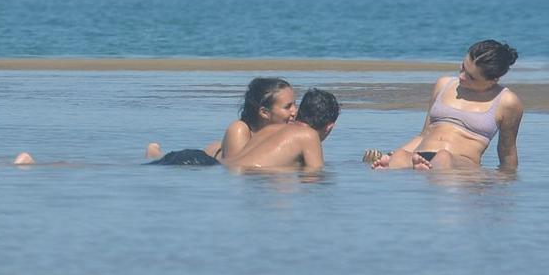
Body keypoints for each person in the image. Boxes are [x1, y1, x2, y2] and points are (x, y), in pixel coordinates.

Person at [364, 39, 521, 171]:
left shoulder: (507, 102)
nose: (461, 76)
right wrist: (393, 154)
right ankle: (403, 167)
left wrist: (506, 183)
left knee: (443, 156)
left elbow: (507, 152)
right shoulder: (443, 84)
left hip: (461, 164)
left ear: (493, 80)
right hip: (421, 155)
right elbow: (424, 134)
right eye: (462, 67)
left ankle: (426, 170)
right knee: (399, 156)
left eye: (471, 77)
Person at [146, 77, 299, 166]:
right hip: (193, 160)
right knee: (159, 160)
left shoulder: (285, 131)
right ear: (264, 112)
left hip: (216, 150)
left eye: (295, 104)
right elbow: (235, 169)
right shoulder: (239, 129)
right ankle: (153, 152)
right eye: (288, 107)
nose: (295, 111)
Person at [221, 87, 341, 171]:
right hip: (248, 173)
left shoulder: (272, 128)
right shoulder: (309, 135)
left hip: (220, 166)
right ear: (329, 127)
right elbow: (314, 177)